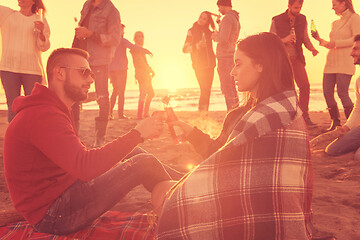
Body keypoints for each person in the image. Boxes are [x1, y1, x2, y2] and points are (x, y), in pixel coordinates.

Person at [3, 48, 183, 235]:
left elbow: (78, 160)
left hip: (64, 193)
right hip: (53, 215)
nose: (90, 79)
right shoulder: (44, 115)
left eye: (91, 73)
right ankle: (191, 191)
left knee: (136, 155)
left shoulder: (51, 109)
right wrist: (137, 134)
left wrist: (135, 139)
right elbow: (85, 167)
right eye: (84, 72)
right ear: (60, 73)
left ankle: (190, 183)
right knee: (143, 164)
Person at [155, 33, 313, 239]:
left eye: (238, 64)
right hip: (272, 208)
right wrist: (190, 131)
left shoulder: (260, 116)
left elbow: (219, 163)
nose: (232, 72)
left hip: (250, 212)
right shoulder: (284, 108)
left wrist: (180, 193)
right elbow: (225, 158)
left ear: (260, 65)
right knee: (150, 166)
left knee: (161, 190)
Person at [72, 0, 121, 146]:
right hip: (80, 57)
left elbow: (115, 38)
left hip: (99, 59)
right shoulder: (87, 4)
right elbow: (81, 30)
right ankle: (73, 136)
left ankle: (99, 138)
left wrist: (91, 34)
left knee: (102, 97)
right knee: (74, 95)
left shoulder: (111, 11)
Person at [312, 0, 360, 131]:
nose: (332, 8)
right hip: (331, 62)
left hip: (346, 61)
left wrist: (335, 43)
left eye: (334, 4)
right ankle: (335, 121)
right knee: (327, 92)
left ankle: (353, 124)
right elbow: (331, 43)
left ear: (344, 3)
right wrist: (319, 40)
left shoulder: (355, 18)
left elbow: (357, 38)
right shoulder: (335, 23)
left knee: (342, 92)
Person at [270, 0, 319, 126]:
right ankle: (286, 117)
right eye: (296, 7)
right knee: (286, 89)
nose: (298, 10)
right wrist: (285, 39)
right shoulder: (276, 20)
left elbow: (306, 39)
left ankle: (304, 117)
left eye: (300, 7)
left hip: (297, 58)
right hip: (282, 60)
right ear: (289, 6)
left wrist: (312, 49)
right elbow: (270, 41)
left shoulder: (302, 19)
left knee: (305, 86)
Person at [0, 0, 50, 122]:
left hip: (32, 70)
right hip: (8, 69)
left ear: (33, 1)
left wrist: (42, 32)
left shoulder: (40, 20)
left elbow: (44, 46)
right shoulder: (6, 14)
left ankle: (31, 138)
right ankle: (14, 140)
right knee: (13, 107)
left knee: (32, 107)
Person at [325, 34, 360, 160]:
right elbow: (357, 109)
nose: (351, 53)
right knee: (332, 149)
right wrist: (347, 127)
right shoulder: (358, 81)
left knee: (358, 157)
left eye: (355, 49)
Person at [109, 24, 152, 120]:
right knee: (121, 92)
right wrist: (145, 50)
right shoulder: (122, 40)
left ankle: (110, 113)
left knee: (115, 91)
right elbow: (133, 47)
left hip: (111, 69)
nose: (123, 32)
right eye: (122, 30)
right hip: (121, 69)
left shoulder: (110, 41)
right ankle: (120, 114)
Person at [183, 11, 216, 112]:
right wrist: (197, 46)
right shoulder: (191, 31)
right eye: (201, 17)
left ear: (207, 21)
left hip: (210, 65)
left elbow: (218, 37)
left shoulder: (209, 32)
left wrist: (217, 24)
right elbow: (184, 49)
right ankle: (202, 114)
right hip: (199, 65)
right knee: (204, 90)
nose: (201, 20)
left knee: (208, 91)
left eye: (204, 19)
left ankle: (205, 113)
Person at [212, 0, 240, 111]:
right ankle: (236, 111)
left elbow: (223, 39)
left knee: (227, 87)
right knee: (232, 87)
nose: (218, 10)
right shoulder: (235, 18)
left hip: (224, 57)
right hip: (231, 55)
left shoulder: (227, 18)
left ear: (223, 5)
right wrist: (220, 24)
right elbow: (229, 34)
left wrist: (214, 36)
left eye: (219, 7)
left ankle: (231, 112)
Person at [130, 31, 155, 119]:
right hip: (141, 74)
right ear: (135, 38)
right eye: (138, 36)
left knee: (151, 93)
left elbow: (144, 62)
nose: (140, 38)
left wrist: (150, 70)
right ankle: (140, 115)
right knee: (143, 93)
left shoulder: (140, 48)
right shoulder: (135, 49)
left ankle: (145, 113)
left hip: (145, 73)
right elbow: (140, 62)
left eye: (142, 36)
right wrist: (149, 69)